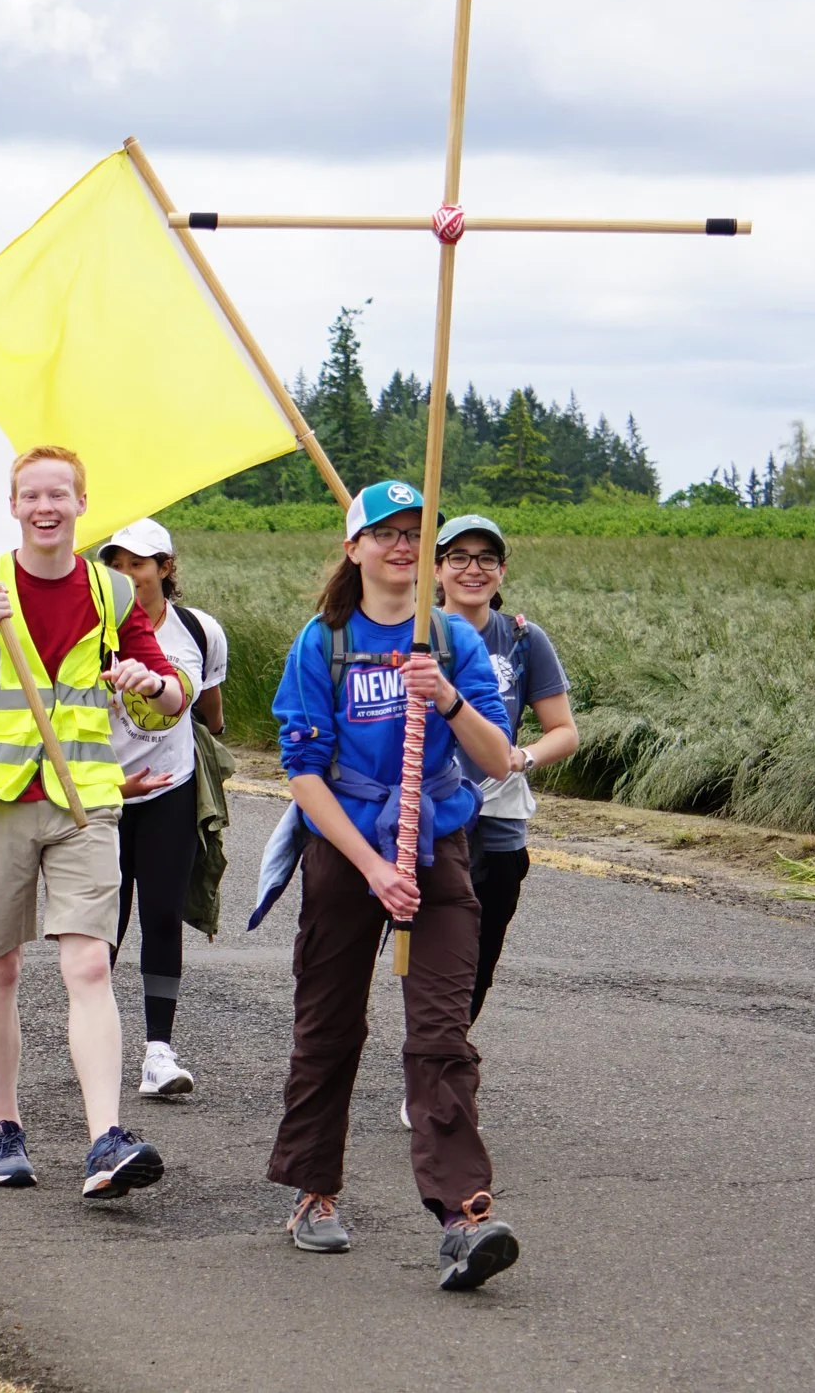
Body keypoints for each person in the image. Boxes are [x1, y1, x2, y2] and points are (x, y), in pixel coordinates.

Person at [255, 479, 520, 1289]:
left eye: (415, 533)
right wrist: (372, 867)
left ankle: (460, 1214)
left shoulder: (450, 639)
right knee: (329, 1023)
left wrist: (443, 696)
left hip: (437, 846)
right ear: (354, 547)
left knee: (441, 1034)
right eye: (386, 533)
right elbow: (301, 772)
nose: (403, 545)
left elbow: (497, 757)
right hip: (347, 849)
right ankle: (315, 1190)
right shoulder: (322, 641)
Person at [0, 446, 186, 1199]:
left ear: (80, 503)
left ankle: (105, 1138)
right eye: (31, 495)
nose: (46, 507)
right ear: (13, 506)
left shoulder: (110, 589)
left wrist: (153, 682)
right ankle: (3, 1127)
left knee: (90, 964)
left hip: (82, 801)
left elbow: (165, 695)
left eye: (59, 495)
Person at [96, 518, 228, 1100]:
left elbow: (212, 714)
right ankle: (97, 1043)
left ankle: (158, 1051)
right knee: (103, 924)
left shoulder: (199, 632)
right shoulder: (88, 629)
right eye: (115, 565)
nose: (126, 575)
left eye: (138, 564)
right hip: (104, 791)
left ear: (166, 567)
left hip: (170, 790)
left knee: (161, 915)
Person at [434, 514, 579, 1023]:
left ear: (502, 571)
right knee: (423, 945)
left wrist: (523, 756)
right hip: (422, 812)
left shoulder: (522, 639)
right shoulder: (410, 633)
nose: (473, 570)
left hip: (496, 817)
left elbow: (564, 730)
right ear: (437, 569)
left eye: (486, 559)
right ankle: (430, 1045)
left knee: (478, 949)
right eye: (458, 558)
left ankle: (445, 1048)